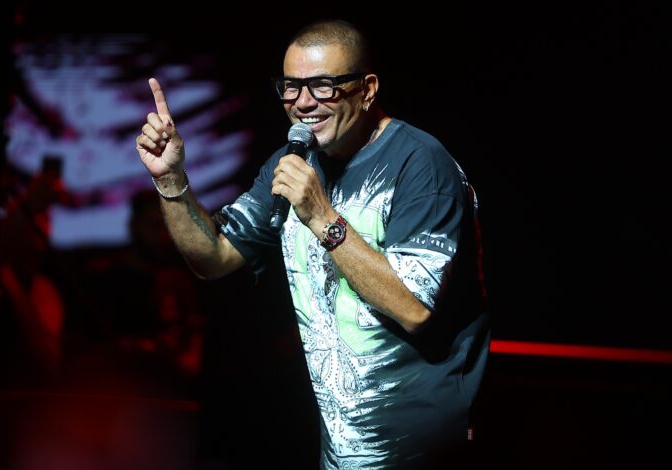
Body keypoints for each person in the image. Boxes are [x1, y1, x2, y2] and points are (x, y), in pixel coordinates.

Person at [135, 19, 490, 469]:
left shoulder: (420, 164)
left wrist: (322, 217)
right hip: (344, 450)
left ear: (367, 89)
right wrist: (171, 180)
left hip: (423, 450)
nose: (303, 102)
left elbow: (415, 309)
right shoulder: (292, 163)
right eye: (291, 87)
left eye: (323, 86)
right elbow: (215, 257)